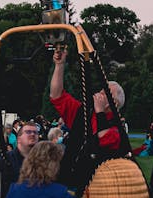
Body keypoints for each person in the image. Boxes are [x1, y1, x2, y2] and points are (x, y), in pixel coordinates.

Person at [50, 45, 128, 185]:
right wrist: (59, 65)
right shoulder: (83, 113)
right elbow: (57, 96)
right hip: (67, 179)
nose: (99, 94)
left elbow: (105, 141)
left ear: (114, 104)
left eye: (105, 93)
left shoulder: (116, 127)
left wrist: (99, 112)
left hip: (95, 187)